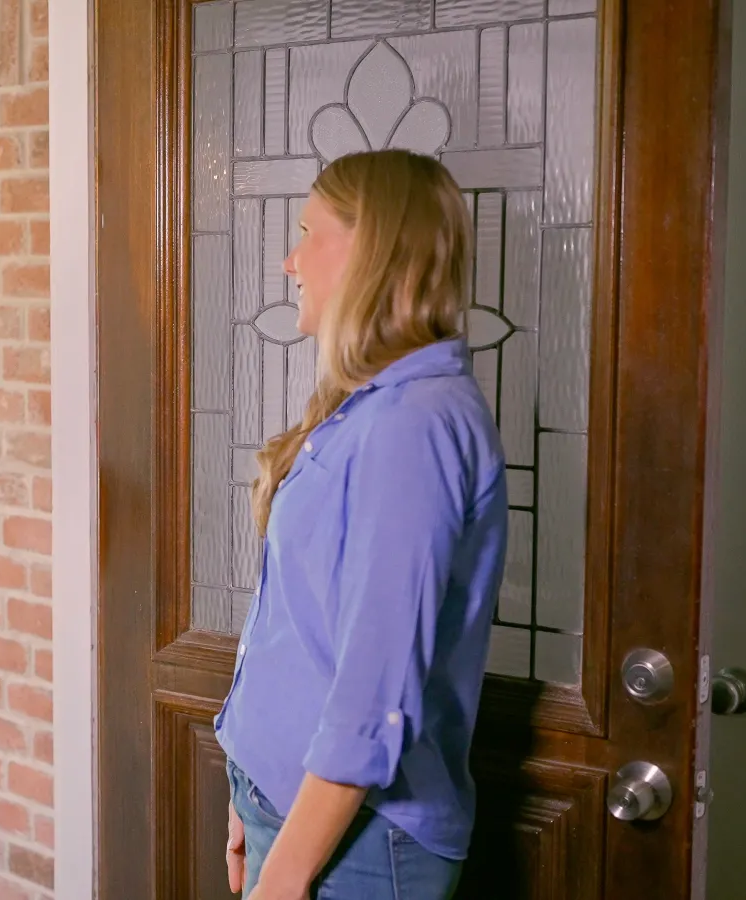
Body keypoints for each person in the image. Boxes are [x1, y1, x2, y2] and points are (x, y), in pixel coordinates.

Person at [215, 149, 509, 900]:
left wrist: (284, 877)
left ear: (369, 247)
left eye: (307, 231)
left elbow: (374, 696)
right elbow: (297, 623)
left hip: (360, 848)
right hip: (302, 820)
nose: (290, 260)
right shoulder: (370, 408)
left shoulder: (415, 424)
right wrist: (250, 792)